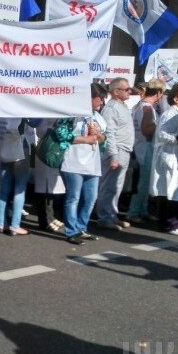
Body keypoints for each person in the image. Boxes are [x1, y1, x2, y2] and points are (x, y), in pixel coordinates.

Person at [58, 83, 108, 245]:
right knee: (73, 197)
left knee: (91, 198)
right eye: (100, 98)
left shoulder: (98, 117)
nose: (102, 102)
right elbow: (61, 134)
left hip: (92, 163)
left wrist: (98, 135)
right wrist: (85, 139)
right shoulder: (72, 114)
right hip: (73, 161)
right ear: (90, 97)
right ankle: (71, 231)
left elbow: (104, 140)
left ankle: (81, 228)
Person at [149, 83, 178, 236]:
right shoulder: (170, 114)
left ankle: (164, 223)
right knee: (171, 191)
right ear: (176, 99)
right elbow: (162, 134)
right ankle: (172, 224)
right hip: (170, 157)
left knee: (169, 191)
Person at [96, 77, 135, 231]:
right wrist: (113, 156)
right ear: (116, 91)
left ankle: (112, 215)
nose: (129, 91)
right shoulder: (111, 108)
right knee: (108, 186)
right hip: (116, 150)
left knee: (117, 187)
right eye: (126, 89)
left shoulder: (122, 106)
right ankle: (104, 218)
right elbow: (109, 133)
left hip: (124, 150)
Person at [126, 78, 165, 224]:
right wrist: (160, 125)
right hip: (145, 148)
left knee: (144, 182)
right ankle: (134, 212)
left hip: (140, 147)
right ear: (159, 93)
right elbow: (146, 130)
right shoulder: (147, 107)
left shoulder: (141, 105)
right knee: (142, 183)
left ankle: (142, 210)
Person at [0, 118, 30, 236]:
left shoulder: (4, 111)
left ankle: (1, 223)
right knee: (20, 188)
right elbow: (35, 122)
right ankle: (15, 225)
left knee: (4, 188)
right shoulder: (24, 111)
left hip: (5, 148)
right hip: (21, 148)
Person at [32, 118, 66, 234]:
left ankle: (51, 217)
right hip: (46, 149)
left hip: (54, 150)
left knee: (52, 189)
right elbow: (39, 129)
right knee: (44, 189)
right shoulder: (44, 115)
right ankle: (44, 221)